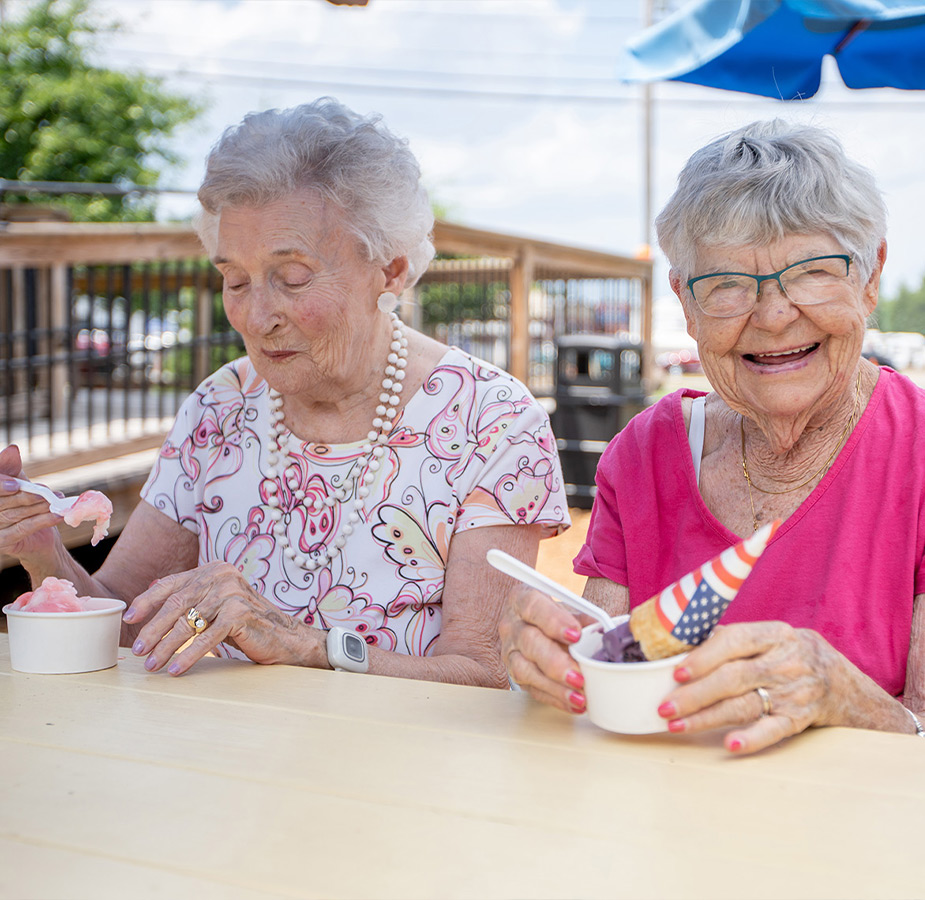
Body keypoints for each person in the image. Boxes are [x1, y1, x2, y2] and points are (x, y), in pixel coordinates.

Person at [0, 97, 569, 685]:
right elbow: (122, 623)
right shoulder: (219, 407)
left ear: (391, 271)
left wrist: (307, 646)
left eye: (292, 278)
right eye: (235, 280)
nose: (256, 315)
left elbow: (488, 675)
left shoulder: (491, 421)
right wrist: (44, 551)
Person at [500, 119, 925, 753]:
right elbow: (608, 692)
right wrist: (552, 660)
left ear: (870, 278)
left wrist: (844, 698)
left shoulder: (914, 451)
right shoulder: (645, 455)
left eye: (812, 272)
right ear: (686, 303)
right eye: (727, 284)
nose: (775, 315)